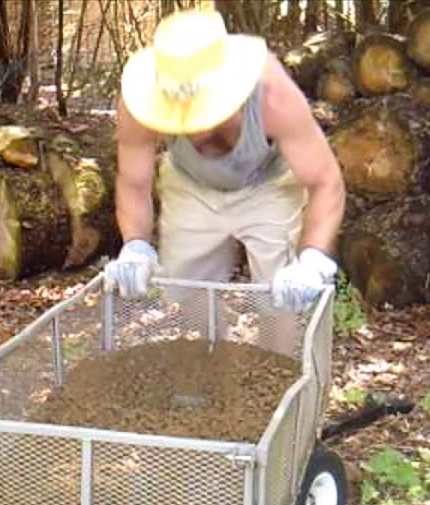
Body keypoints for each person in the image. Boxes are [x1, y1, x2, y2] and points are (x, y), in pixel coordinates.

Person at [105, 7, 345, 317]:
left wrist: (312, 259)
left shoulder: (273, 96)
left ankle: (281, 362)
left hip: (267, 184)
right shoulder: (139, 102)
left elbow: (326, 180)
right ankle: (209, 357)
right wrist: (135, 245)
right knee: (186, 295)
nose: (191, 128)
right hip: (189, 183)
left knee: (282, 305)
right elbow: (133, 182)